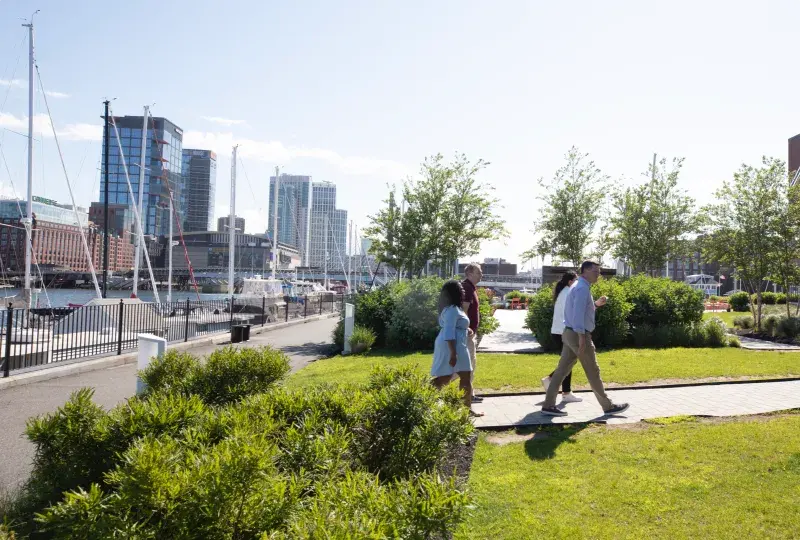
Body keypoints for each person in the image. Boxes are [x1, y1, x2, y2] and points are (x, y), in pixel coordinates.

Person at [541, 261, 629, 417]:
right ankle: (608, 406)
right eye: (596, 272)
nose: (598, 275)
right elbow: (577, 315)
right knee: (593, 371)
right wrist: (582, 336)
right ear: (585, 271)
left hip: (569, 333)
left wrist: (595, 304)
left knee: (561, 371)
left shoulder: (577, 286)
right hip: (577, 334)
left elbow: (580, 310)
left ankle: (548, 405)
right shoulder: (581, 288)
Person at [431, 280, 482, 416]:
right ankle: (423, 399)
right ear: (455, 292)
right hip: (451, 347)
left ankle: (467, 410)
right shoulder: (452, 310)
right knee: (445, 377)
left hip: (460, 345)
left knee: (466, 376)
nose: (463, 290)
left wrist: (467, 330)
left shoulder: (455, 309)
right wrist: (453, 354)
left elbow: (457, 327)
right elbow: (449, 332)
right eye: (460, 289)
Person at [541, 271, 583, 403]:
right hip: (563, 332)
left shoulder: (563, 292)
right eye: (576, 280)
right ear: (570, 282)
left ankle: (564, 391)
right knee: (569, 361)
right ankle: (560, 387)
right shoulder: (568, 293)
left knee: (568, 361)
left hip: (559, 332)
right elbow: (572, 314)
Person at [461, 263, 483, 402]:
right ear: (469, 273)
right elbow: (464, 310)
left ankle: (470, 394)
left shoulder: (471, 288)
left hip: (470, 332)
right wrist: (466, 328)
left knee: (471, 364)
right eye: (478, 272)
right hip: (466, 333)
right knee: (466, 366)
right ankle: (436, 384)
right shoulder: (467, 288)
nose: (481, 275)